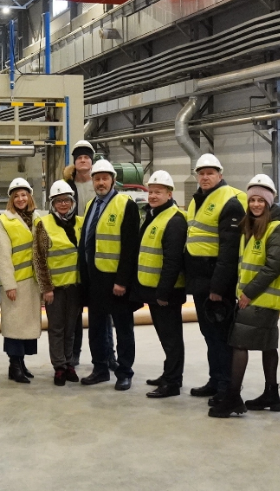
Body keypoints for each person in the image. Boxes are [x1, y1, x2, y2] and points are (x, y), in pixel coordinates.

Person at [209, 174, 280, 418]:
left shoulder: (276, 228)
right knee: (267, 345)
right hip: (259, 298)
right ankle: (271, 394)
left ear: (269, 202)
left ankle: (233, 397)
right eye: (252, 199)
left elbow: (272, 266)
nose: (255, 204)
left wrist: (247, 293)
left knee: (239, 344)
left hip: (259, 298)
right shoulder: (252, 226)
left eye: (260, 200)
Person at [185, 153, 247, 405]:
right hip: (201, 280)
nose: (205, 177)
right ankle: (215, 380)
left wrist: (218, 288)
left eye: (210, 173)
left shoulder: (229, 202)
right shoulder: (197, 200)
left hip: (217, 282)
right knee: (209, 334)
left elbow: (229, 251)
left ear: (220, 175)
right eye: (201, 173)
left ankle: (226, 387)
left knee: (221, 336)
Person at [79, 158, 140, 391]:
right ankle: (100, 369)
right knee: (96, 327)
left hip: (115, 281)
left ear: (113, 180)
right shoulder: (90, 205)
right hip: (94, 278)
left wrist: (122, 281)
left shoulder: (125, 205)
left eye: (105, 178)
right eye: (97, 179)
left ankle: (124, 372)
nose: (101, 183)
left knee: (123, 328)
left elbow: (130, 247)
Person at [132, 171, 188, 399]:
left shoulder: (174, 220)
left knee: (172, 338)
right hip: (154, 290)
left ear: (169, 194)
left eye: (158, 192)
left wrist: (164, 292)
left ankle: (173, 382)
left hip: (167, 292)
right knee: (166, 337)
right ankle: (169, 374)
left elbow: (172, 261)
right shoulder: (155, 215)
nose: (153, 196)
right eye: (151, 192)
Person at [0, 178, 45, 384]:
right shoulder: (4, 221)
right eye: (16, 196)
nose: (21, 199)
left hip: (33, 283)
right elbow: (2, 256)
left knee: (27, 327)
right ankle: (14, 365)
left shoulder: (38, 218)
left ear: (30, 196)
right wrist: (9, 285)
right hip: (16, 284)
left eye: (24, 195)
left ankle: (21, 364)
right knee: (15, 327)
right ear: (11, 199)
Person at [32, 181, 84, 386]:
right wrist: (46, 288)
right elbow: (39, 258)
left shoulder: (81, 222)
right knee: (56, 328)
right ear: (52, 203)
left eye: (67, 200)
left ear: (72, 202)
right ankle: (59, 367)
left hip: (76, 287)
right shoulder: (43, 224)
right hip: (55, 289)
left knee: (71, 328)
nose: (63, 204)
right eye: (59, 201)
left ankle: (69, 363)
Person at [62, 140, 103, 368]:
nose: (83, 160)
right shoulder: (67, 185)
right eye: (79, 158)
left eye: (87, 157)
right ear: (75, 162)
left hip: (98, 250)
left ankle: (106, 355)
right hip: (73, 248)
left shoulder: (99, 183)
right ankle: (74, 352)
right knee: (74, 309)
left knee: (101, 309)